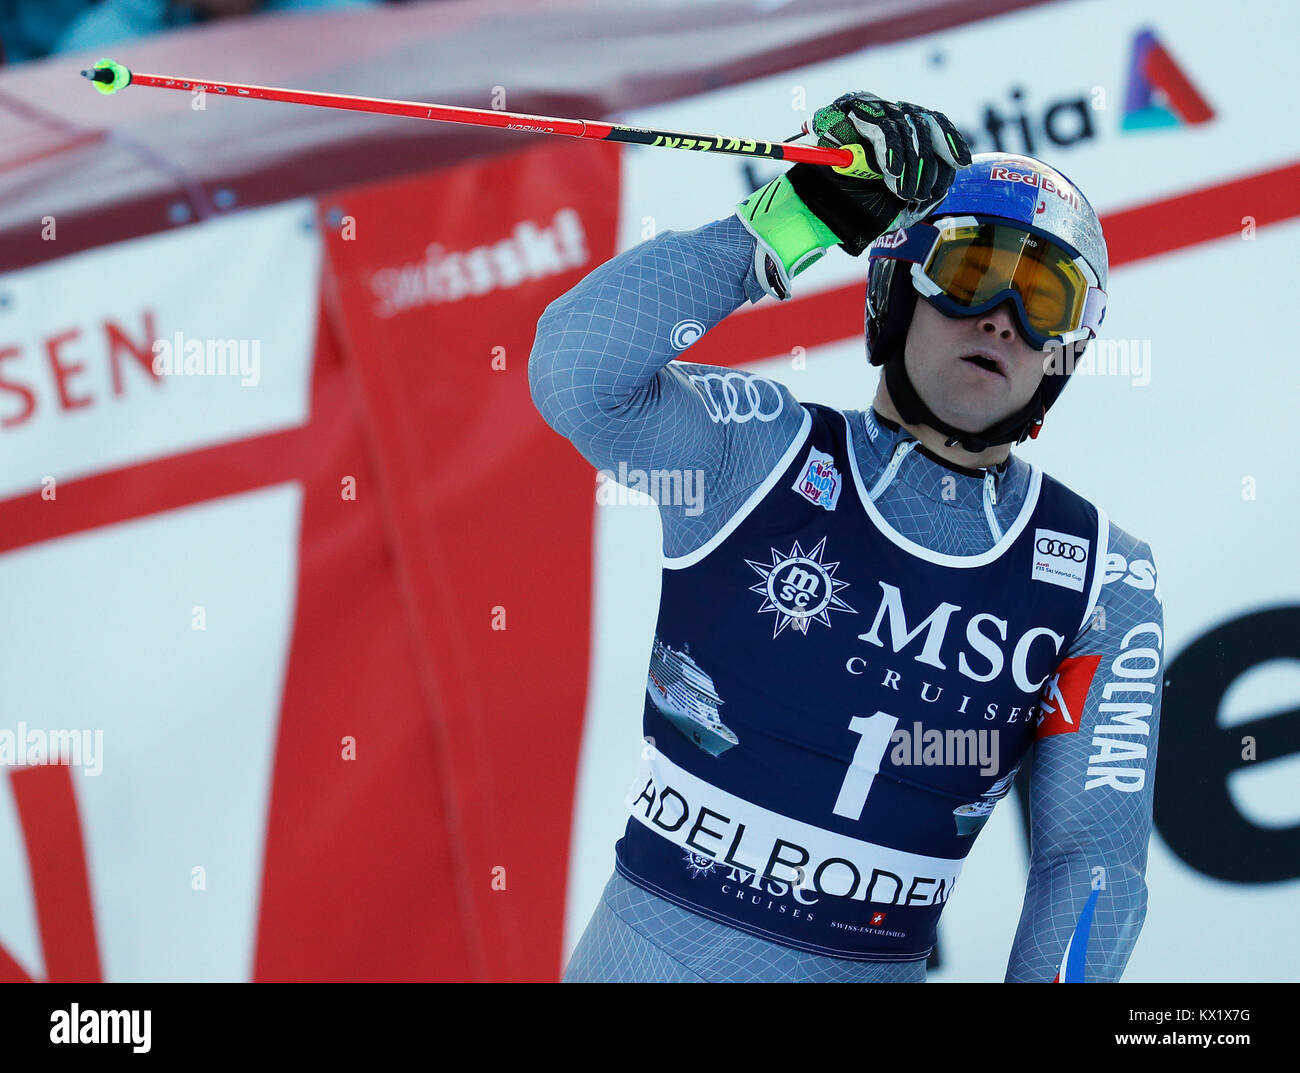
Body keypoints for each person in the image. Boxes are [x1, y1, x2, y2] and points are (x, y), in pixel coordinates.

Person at [529, 92, 1163, 983]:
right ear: (898, 285)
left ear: (1064, 354)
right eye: (973, 270)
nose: (1000, 320)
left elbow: (1091, 866)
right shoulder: (755, 452)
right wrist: (796, 217)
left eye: (1044, 301)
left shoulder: (1101, 575)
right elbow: (576, 370)